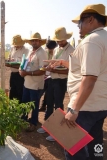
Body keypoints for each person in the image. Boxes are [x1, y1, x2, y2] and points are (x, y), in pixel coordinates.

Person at [45, 4, 107, 160]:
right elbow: (86, 68)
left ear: (91, 19)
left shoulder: (91, 41)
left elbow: (89, 78)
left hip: (85, 106)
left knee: (73, 147)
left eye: (80, 22)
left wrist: (73, 110)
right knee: (96, 143)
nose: (78, 27)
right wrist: (63, 62)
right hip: (100, 104)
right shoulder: (103, 39)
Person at [38, 27, 75, 142]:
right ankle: (48, 126)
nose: (59, 42)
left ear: (66, 38)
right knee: (49, 103)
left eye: (61, 40)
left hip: (61, 81)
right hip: (52, 79)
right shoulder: (57, 49)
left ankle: (57, 131)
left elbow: (70, 69)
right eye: (58, 40)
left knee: (58, 106)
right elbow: (54, 63)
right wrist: (49, 68)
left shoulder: (71, 50)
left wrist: (55, 70)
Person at [19, 32, 47, 131]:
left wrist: (27, 73)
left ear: (40, 41)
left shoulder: (42, 53)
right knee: (25, 103)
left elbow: (42, 70)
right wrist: (20, 70)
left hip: (36, 84)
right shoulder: (30, 51)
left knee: (34, 105)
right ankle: (23, 119)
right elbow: (24, 63)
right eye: (32, 40)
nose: (34, 42)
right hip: (27, 82)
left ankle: (34, 123)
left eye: (36, 40)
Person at [6, 35, 29, 103]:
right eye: (15, 45)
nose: (16, 46)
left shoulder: (26, 50)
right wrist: (9, 60)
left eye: (18, 45)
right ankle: (12, 108)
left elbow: (24, 64)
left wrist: (14, 63)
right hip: (13, 73)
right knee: (12, 90)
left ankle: (20, 109)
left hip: (20, 75)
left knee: (20, 92)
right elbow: (9, 58)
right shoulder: (12, 49)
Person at [39, 40, 58, 112]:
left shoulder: (57, 52)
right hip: (44, 76)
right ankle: (43, 106)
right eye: (49, 49)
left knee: (49, 94)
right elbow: (41, 65)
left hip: (52, 76)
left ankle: (44, 107)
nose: (50, 51)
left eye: (52, 49)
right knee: (41, 92)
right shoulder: (44, 53)